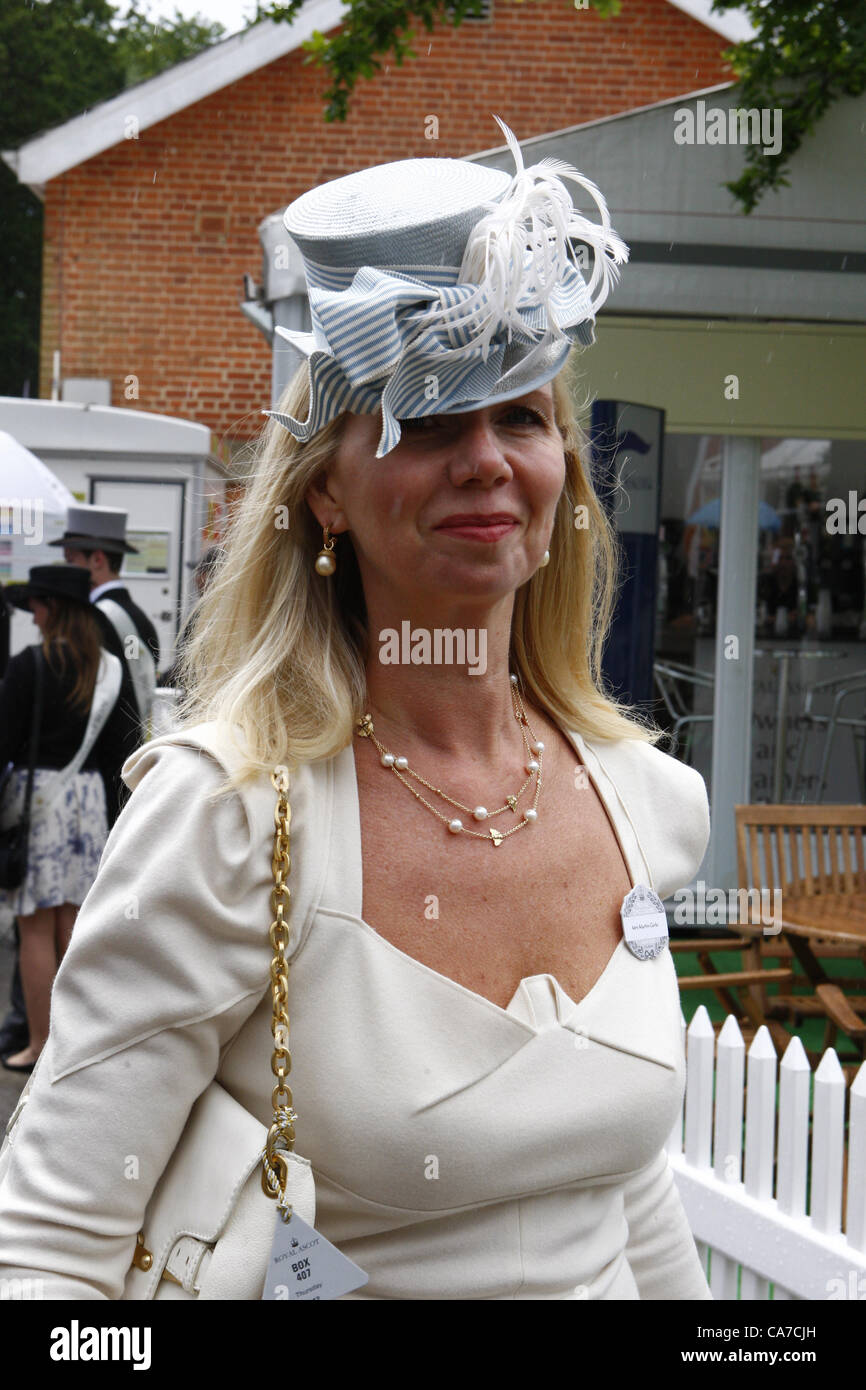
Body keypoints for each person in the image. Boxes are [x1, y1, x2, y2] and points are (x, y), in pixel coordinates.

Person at [0, 119, 712, 1298]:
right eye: (425, 421)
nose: (483, 458)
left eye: (520, 417)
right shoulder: (229, 818)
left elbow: (620, 1199)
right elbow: (46, 1255)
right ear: (325, 488)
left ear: (562, 477)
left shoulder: (639, 797)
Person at [0, 566, 141, 1074]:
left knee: (34, 930)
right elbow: (124, 752)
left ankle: (39, 1046)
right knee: (74, 928)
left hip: (40, 804)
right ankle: (77, 1045)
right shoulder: (108, 670)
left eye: (37, 604)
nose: (33, 615)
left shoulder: (28, 667)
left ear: (53, 609)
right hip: (88, 808)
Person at [52, 504, 160, 736]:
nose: (67, 570)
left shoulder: (93, 620)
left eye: (71, 560)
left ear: (98, 560)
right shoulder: (139, 618)